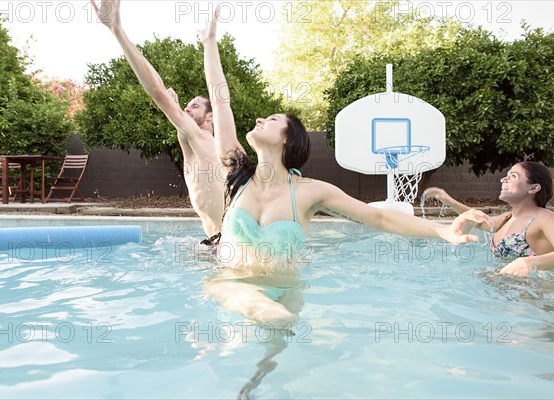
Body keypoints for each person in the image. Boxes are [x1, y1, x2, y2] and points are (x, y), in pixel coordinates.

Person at [199, 7, 494, 329]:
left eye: (271, 120)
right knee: (225, 289)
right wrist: (211, 44)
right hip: (235, 286)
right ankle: (262, 309)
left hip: (286, 289)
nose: (259, 120)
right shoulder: (237, 174)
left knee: (271, 364)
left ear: (288, 140)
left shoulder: (312, 191)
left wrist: (442, 230)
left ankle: (268, 315)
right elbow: (220, 100)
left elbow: (377, 216)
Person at [90, 0, 224, 244]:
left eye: (195, 105)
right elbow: (160, 95)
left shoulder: (213, 142)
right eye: (185, 106)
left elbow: (158, 91)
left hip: (229, 242)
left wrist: (118, 31)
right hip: (216, 243)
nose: (186, 108)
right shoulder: (192, 139)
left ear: (211, 115)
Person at [423, 162, 554, 276]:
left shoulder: (545, 218)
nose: (503, 179)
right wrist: (447, 200)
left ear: (533, 188)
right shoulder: (507, 218)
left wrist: (530, 262)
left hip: (539, 300)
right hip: (508, 298)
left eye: (513, 176)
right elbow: (478, 219)